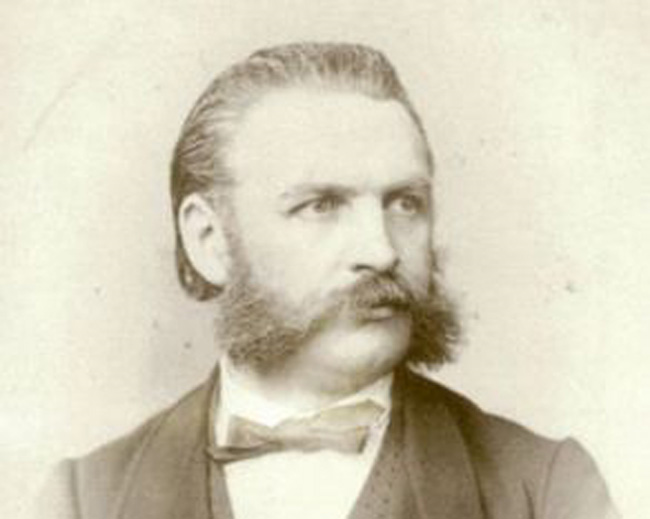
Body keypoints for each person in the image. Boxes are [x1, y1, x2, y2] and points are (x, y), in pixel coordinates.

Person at [47, 42, 618, 519]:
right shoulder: (82, 501)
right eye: (321, 205)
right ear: (209, 240)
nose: (381, 251)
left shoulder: (546, 490)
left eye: (405, 203)